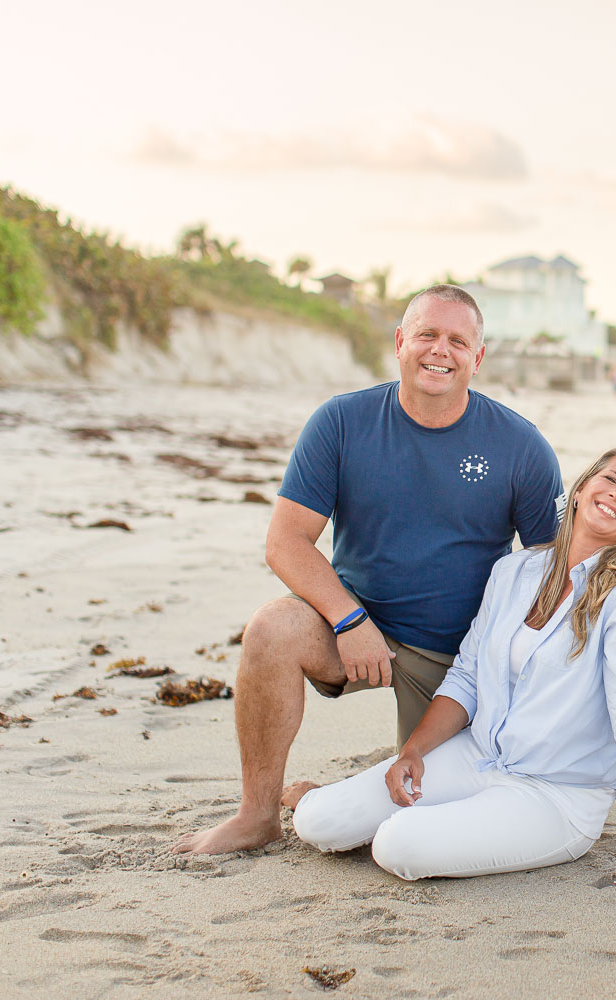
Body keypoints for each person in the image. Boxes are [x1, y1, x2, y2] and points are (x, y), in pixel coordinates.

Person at [173, 285, 564, 856]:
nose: (440, 350)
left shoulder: (521, 446)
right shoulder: (341, 421)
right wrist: (348, 617)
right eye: (427, 334)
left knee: (419, 810)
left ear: (477, 358)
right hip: (357, 631)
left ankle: (331, 793)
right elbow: (286, 541)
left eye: (458, 340)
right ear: (401, 342)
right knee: (271, 630)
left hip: (459, 661)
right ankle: (256, 815)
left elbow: (554, 573)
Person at [287, 447, 616, 898]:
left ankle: (433, 818)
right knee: (318, 822)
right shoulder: (514, 571)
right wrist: (414, 752)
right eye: (610, 480)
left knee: (398, 845)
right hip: (476, 754)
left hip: (554, 795)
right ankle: (330, 798)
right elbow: (467, 676)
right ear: (581, 490)